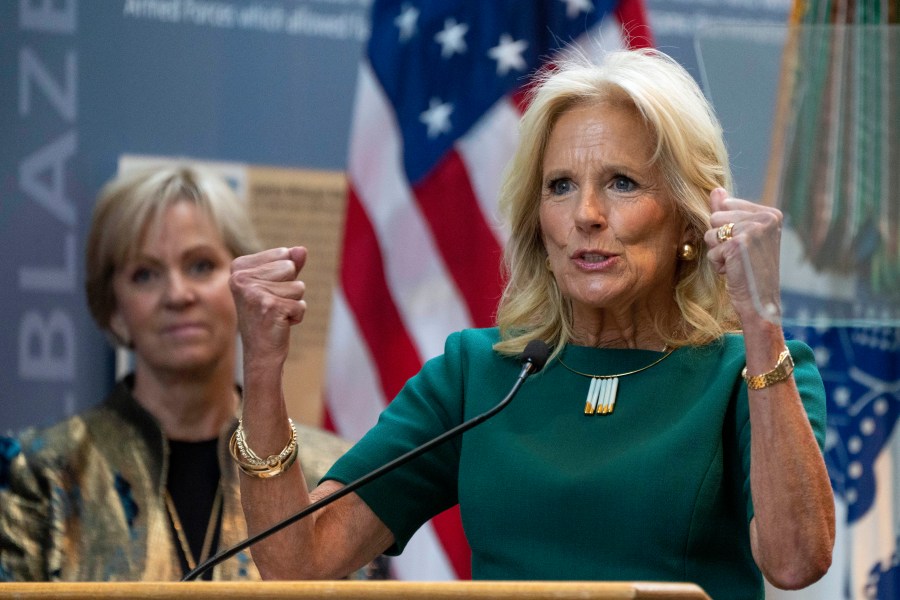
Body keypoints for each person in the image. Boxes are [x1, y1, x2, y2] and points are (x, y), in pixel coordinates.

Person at [228, 48, 835, 599]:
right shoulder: (477, 374)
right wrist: (260, 365)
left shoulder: (748, 372)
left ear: (688, 217)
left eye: (621, 183)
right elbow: (297, 560)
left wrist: (760, 321)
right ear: (536, 222)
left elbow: (794, 561)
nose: (586, 215)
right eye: (561, 186)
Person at [0, 165, 386, 581]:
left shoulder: (332, 472)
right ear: (114, 309)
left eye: (201, 266)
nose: (178, 295)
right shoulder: (39, 473)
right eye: (145, 274)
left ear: (245, 285)